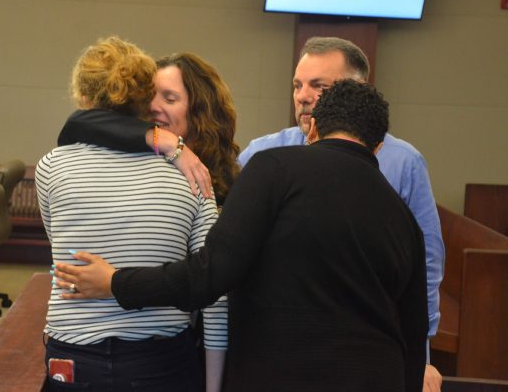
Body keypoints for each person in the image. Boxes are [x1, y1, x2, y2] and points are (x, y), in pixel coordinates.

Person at [54, 79, 429, 392]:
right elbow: (413, 337)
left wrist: (117, 282)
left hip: (277, 375)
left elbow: (209, 275)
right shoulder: (403, 219)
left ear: (312, 128)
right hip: (376, 377)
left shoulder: (276, 168)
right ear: (378, 145)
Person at [238, 36, 444, 392]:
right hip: (276, 347)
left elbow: (426, 265)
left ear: (356, 91)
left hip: (365, 353)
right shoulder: (263, 153)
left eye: (319, 86)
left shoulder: (402, 161)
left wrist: (420, 357)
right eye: (297, 85)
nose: (303, 96)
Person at [36, 36, 228, 392]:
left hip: (75, 357)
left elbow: (60, 252)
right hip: (160, 360)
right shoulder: (193, 173)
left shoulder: (52, 166)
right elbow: (215, 295)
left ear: (83, 98)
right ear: (145, 100)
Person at [56, 51, 241, 206]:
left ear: (201, 110)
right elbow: (78, 123)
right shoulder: (141, 156)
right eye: (149, 97)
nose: (153, 106)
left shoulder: (232, 184)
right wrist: (167, 142)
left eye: (169, 99)